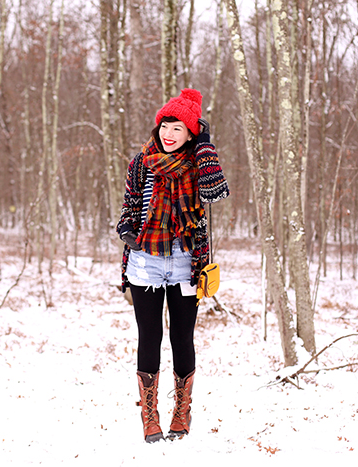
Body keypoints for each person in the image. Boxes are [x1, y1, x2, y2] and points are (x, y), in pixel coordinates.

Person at [116, 88, 229, 443]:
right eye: (166, 125)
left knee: (182, 337)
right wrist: (125, 230)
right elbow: (130, 208)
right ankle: (150, 417)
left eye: (179, 128)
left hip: (185, 263)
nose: (169, 133)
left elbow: (216, 192)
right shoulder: (141, 163)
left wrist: (207, 145)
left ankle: (183, 410)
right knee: (149, 336)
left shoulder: (199, 166)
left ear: (192, 134)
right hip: (145, 263)